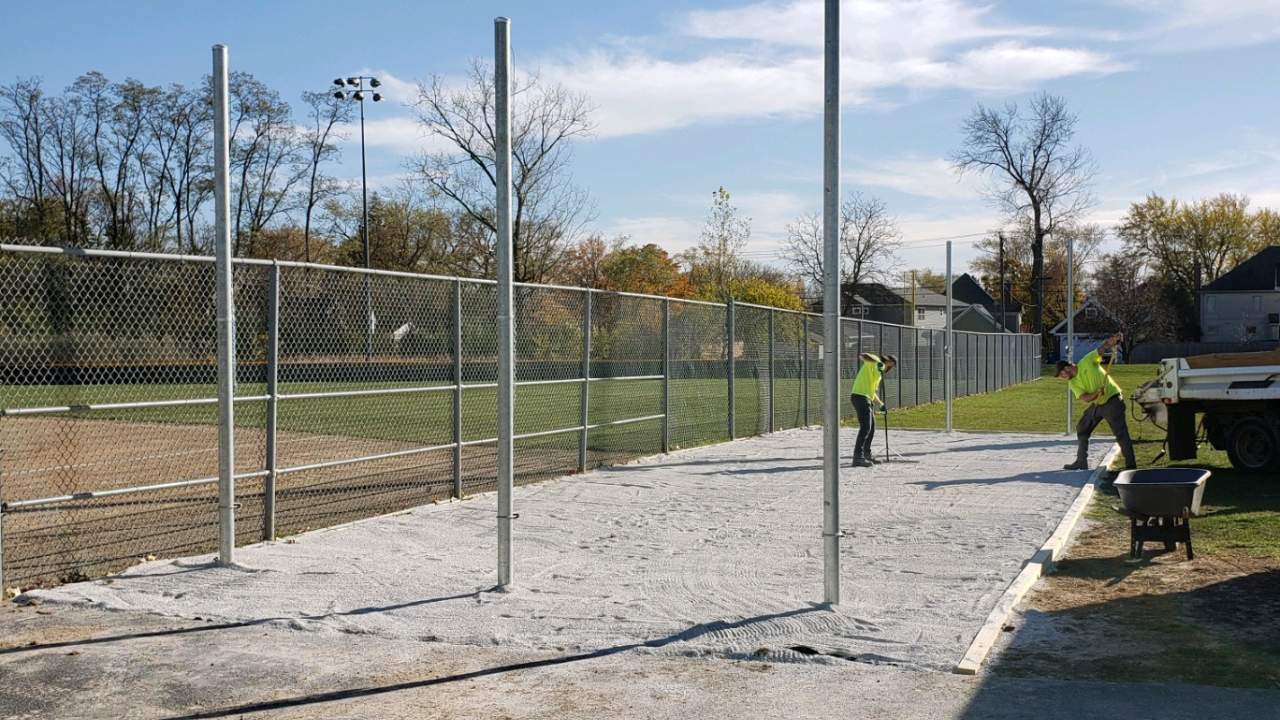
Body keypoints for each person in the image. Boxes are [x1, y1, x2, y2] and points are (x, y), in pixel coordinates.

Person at [1055, 333, 1137, 472]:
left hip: (1112, 401)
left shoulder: (1087, 361)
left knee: (1120, 433)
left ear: (1067, 368)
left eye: (1061, 374)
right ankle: (1081, 461)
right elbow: (1086, 398)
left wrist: (1114, 340)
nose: (1062, 377)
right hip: (1098, 404)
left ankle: (1131, 466)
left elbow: (1103, 348)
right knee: (1082, 427)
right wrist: (1096, 393)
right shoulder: (1072, 383)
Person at [850, 352, 896, 467]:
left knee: (871, 427)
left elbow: (873, 392)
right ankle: (858, 457)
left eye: (891, 367)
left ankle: (866, 455)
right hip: (860, 396)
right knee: (866, 427)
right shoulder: (875, 360)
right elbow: (862, 355)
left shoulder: (879, 374)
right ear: (888, 361)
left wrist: (881, 404)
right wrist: (877, 362)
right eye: (891, 364)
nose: (889, 367)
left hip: (866, 398)